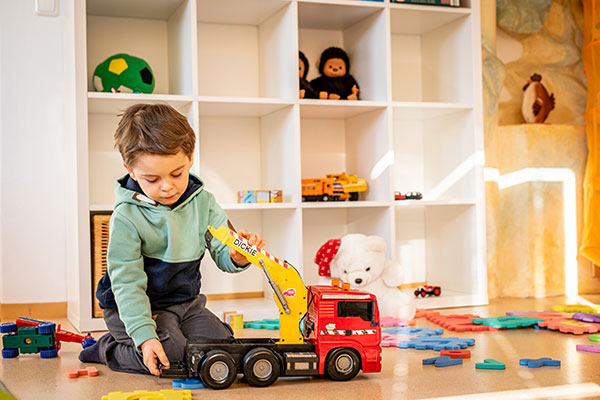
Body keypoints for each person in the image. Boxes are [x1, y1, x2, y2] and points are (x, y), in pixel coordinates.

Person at [79, 103, 264, 376]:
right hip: (134, 308)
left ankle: (169, 329)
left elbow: (223, 248)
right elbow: (127, 283)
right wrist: (144, 335)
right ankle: (109, 348)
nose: (167, 186)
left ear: (190, 158)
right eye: (152, 179)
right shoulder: (126, 217)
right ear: (130, 170)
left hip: (183, 304)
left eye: (177, 174)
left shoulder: (204, 203)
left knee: (224, 350)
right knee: (175, 360)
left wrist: (237, 256)